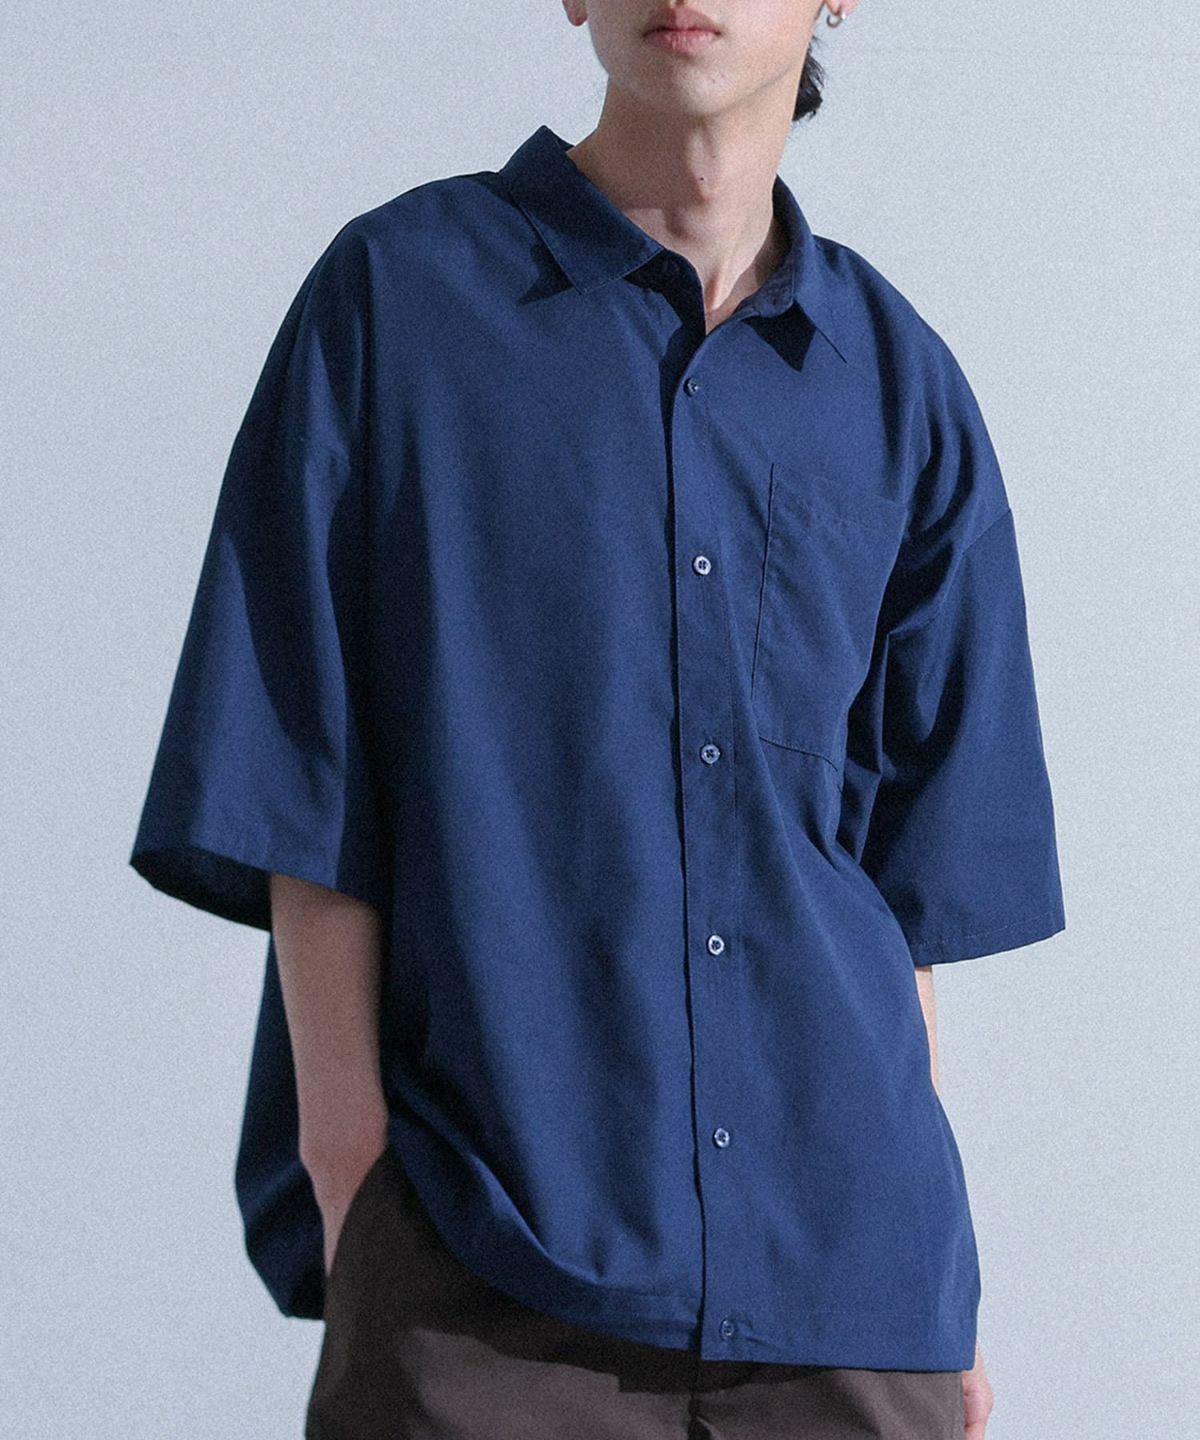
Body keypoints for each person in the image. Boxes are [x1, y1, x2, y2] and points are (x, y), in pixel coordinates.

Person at [129, 0, 1067, 1435]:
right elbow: (301, 780)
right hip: (487, 1283)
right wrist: (356, 1182)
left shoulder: (898, 389)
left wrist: (937, 1295)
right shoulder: (400, 301)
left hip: (852, 1306)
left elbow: (901, 901)